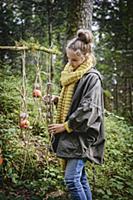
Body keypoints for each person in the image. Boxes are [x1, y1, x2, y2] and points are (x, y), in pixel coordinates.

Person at [48, 29, 105, 200]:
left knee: (71, 179)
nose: (71, 63)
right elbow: (75, 101)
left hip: (82, 134)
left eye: (75, 60)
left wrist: (65, 126)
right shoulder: (71, 75)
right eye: (69, 59)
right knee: (80, 178)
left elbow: (89, 109)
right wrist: (58, 99)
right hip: (74, 133)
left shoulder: (92, 78)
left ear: (86, 57)